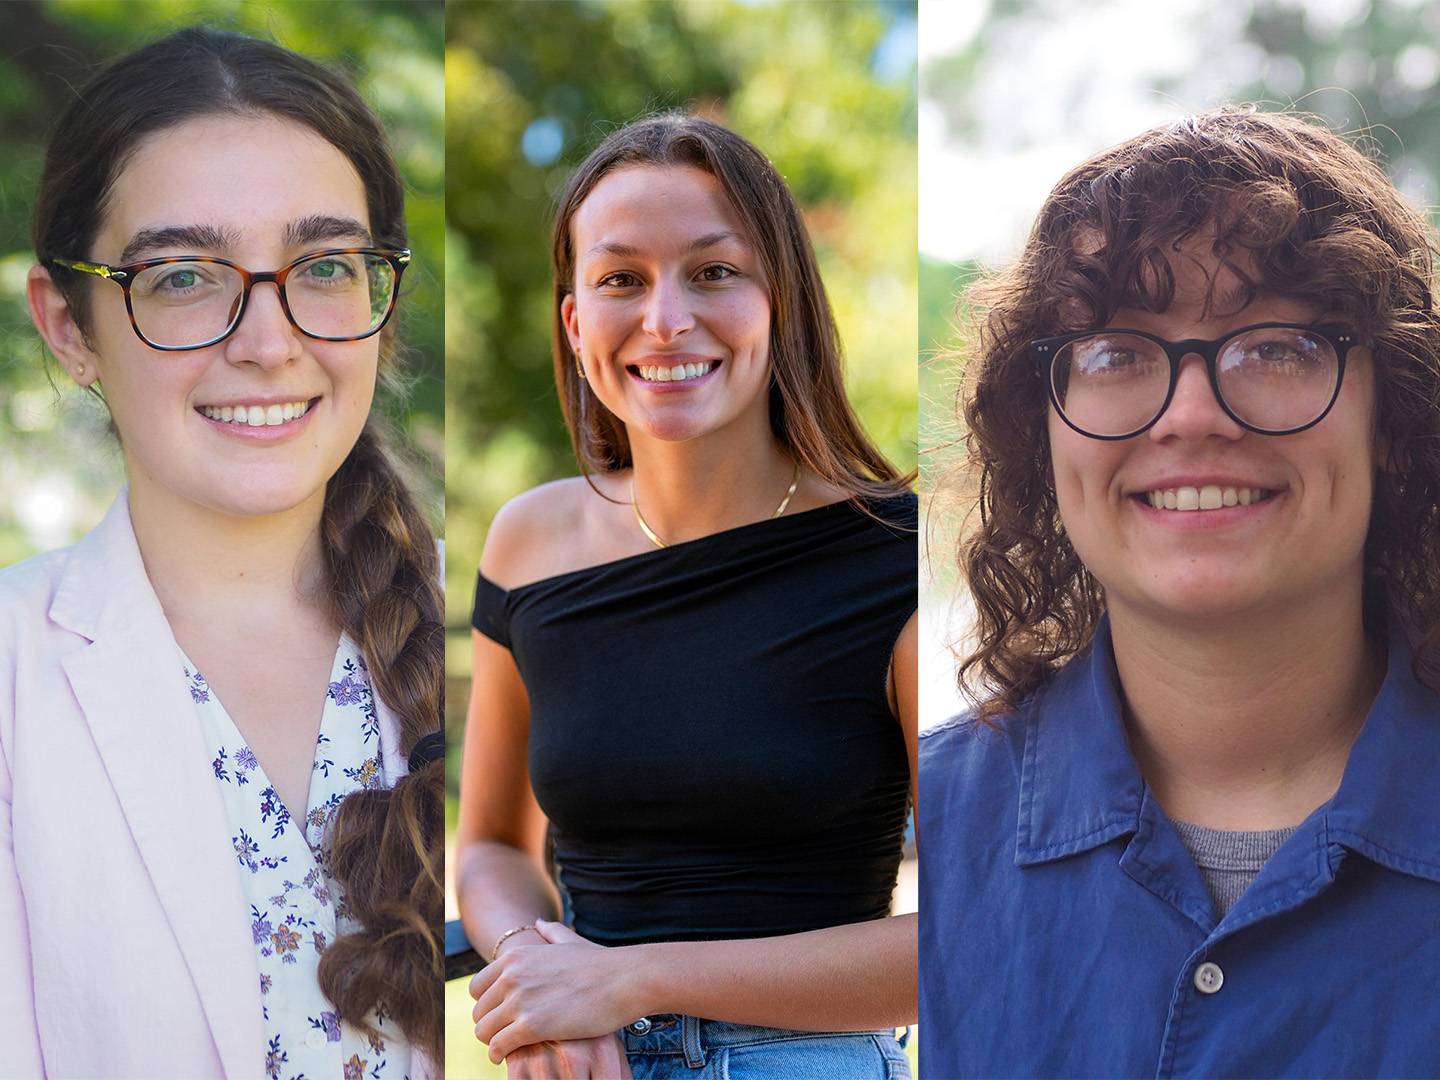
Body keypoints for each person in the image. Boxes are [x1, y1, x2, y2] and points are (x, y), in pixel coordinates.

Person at [921, 105, 1440, 1076]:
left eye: (1277, 345)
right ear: (1044, 432)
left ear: (1393, 415)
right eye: (1117, 352)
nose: (1194, 416)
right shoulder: (934, 826)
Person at [0, 27, 442, 1079]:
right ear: (68, 326)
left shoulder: (493, 620)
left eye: (326, 265)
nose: (268, 339)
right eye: (186, 275)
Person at [457, 113, 918, 1079]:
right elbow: (495, 845)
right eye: (621, 278)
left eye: (713, 271)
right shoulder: (529, 542)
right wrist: (532, 972)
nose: (664, 318)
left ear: (780, 302)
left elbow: (976, 932)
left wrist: (629, 981)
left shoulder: (896, 555)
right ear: (576, 319)